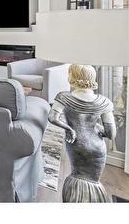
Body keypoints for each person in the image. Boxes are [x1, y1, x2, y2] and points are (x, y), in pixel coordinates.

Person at [48, 64, 116, 202]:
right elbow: (111, 134)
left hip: (77, 144)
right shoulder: (104, 102)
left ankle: (73, 199)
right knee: (94, 181)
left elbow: (52, 117)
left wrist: (69, 129)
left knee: (76, 175)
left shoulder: (64, 97)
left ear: (72, 77)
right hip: (97, 147)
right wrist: (97, 126)